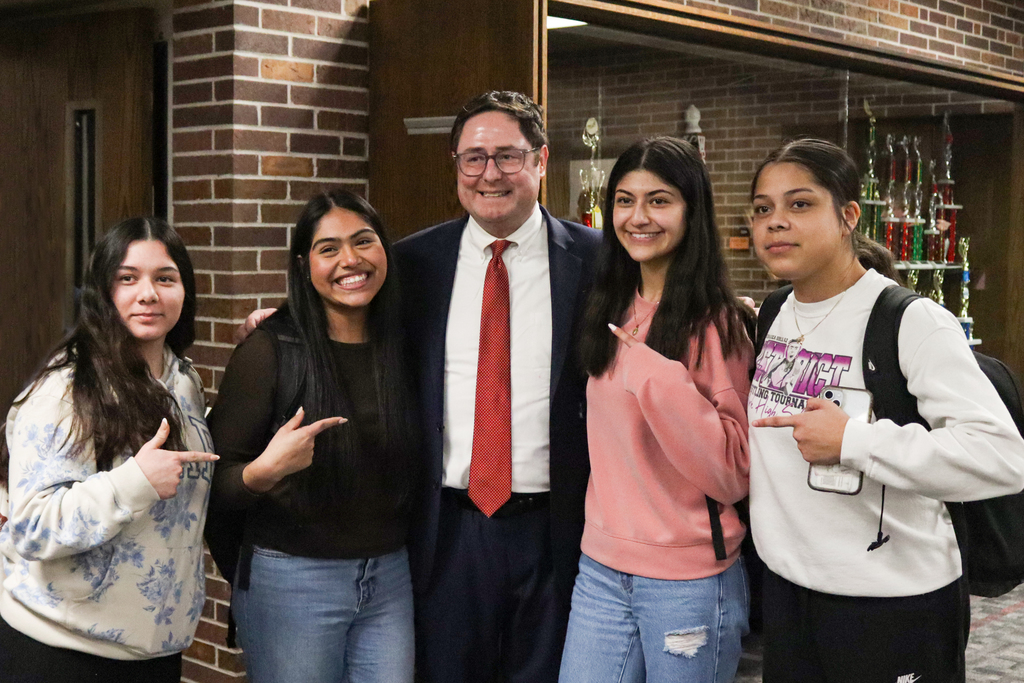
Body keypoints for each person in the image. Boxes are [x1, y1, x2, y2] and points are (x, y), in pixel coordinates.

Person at [747, 138, 1024, 682]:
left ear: (848, 215)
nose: (776, 222)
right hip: (788, 592)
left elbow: (1001, 455)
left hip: (891, 604)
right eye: (763, 209)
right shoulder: (776, 311)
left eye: (799, 204)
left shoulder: (911, 320)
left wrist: (855, 441)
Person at [393, 91, 601, 682]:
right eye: (473, 158)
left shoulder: (598, 261)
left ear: (540, 160)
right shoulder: (412, 264)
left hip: (558, 533)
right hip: (447, 533)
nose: (490, 174)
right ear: (456, 166)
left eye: (508, 156)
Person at [559, 136, 753, 682]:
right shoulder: (609, 307)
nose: (638, 217)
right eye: (625, 200)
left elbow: (734, 471)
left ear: (692, 211)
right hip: (600, 568)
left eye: (659, 200)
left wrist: (656, 376)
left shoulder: (717, 323)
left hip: (687, 580)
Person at [205, 189, 419, 683]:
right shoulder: (269, 351)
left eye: (364, 241)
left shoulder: (404, 345)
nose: (350, 260)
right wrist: (264, 471)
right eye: (329, 249)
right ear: (304, 266)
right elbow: (212, 486)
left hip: (389, 577)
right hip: (293, 580)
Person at [0, 218, 219, 682]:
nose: (148, 293)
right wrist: (134, 483)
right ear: (102, 291)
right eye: (127, 278)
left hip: (154, 648)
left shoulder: (183, 381)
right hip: (61, 648)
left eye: (165, 278)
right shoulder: (66, 388)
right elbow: (31, 528)